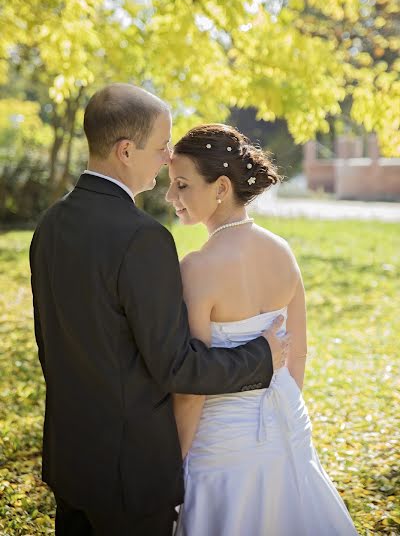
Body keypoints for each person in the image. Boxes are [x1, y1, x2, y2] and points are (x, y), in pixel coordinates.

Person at [29, 84, 287, 536]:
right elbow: (176, 367)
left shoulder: (50, 225)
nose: (169, 157)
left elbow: (50, 346)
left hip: (71, 461)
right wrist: (261, 358)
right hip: (130, 476)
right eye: (163, 145)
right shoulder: (142, 237)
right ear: (126, 151)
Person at [166, 123, 359, 536]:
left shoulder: (197, 269)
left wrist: (174, 463)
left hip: (219, 447)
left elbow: (193, 384)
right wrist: (283, 420)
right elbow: (299, 353)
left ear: (220, 187)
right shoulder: (282, 251)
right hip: (286, 430)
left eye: (182, 185)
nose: (170, 197)